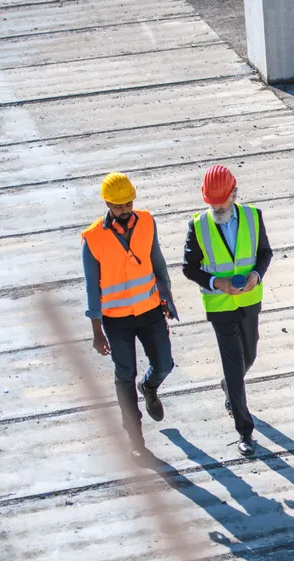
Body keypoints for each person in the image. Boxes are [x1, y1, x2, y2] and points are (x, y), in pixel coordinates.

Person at [82, 172, 178, 460]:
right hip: (116, 320)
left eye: (128, 204)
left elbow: (157, 261)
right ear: (107, 203)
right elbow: (91, 285)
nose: (124, 210)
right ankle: (134, 436)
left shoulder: (147, 221)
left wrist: (167, 299)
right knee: (124, 375)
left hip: (150, 310)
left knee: (164, 364)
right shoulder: (93, 238)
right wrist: (97, 330)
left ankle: (149, 386)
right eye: (118, 205)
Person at [182, 165, 272, 457]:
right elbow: (188, 267)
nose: (217, 207)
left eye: (222, 200)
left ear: (235, 193)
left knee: (250, 355)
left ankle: (228, 385)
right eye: (212, 202)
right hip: (220, 306)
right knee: (234, 369)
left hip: (249, 301)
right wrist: (214, 282)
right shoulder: (198, 225)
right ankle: (245, 431)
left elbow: (264, 254)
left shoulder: (253, 217)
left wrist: (256, 276)